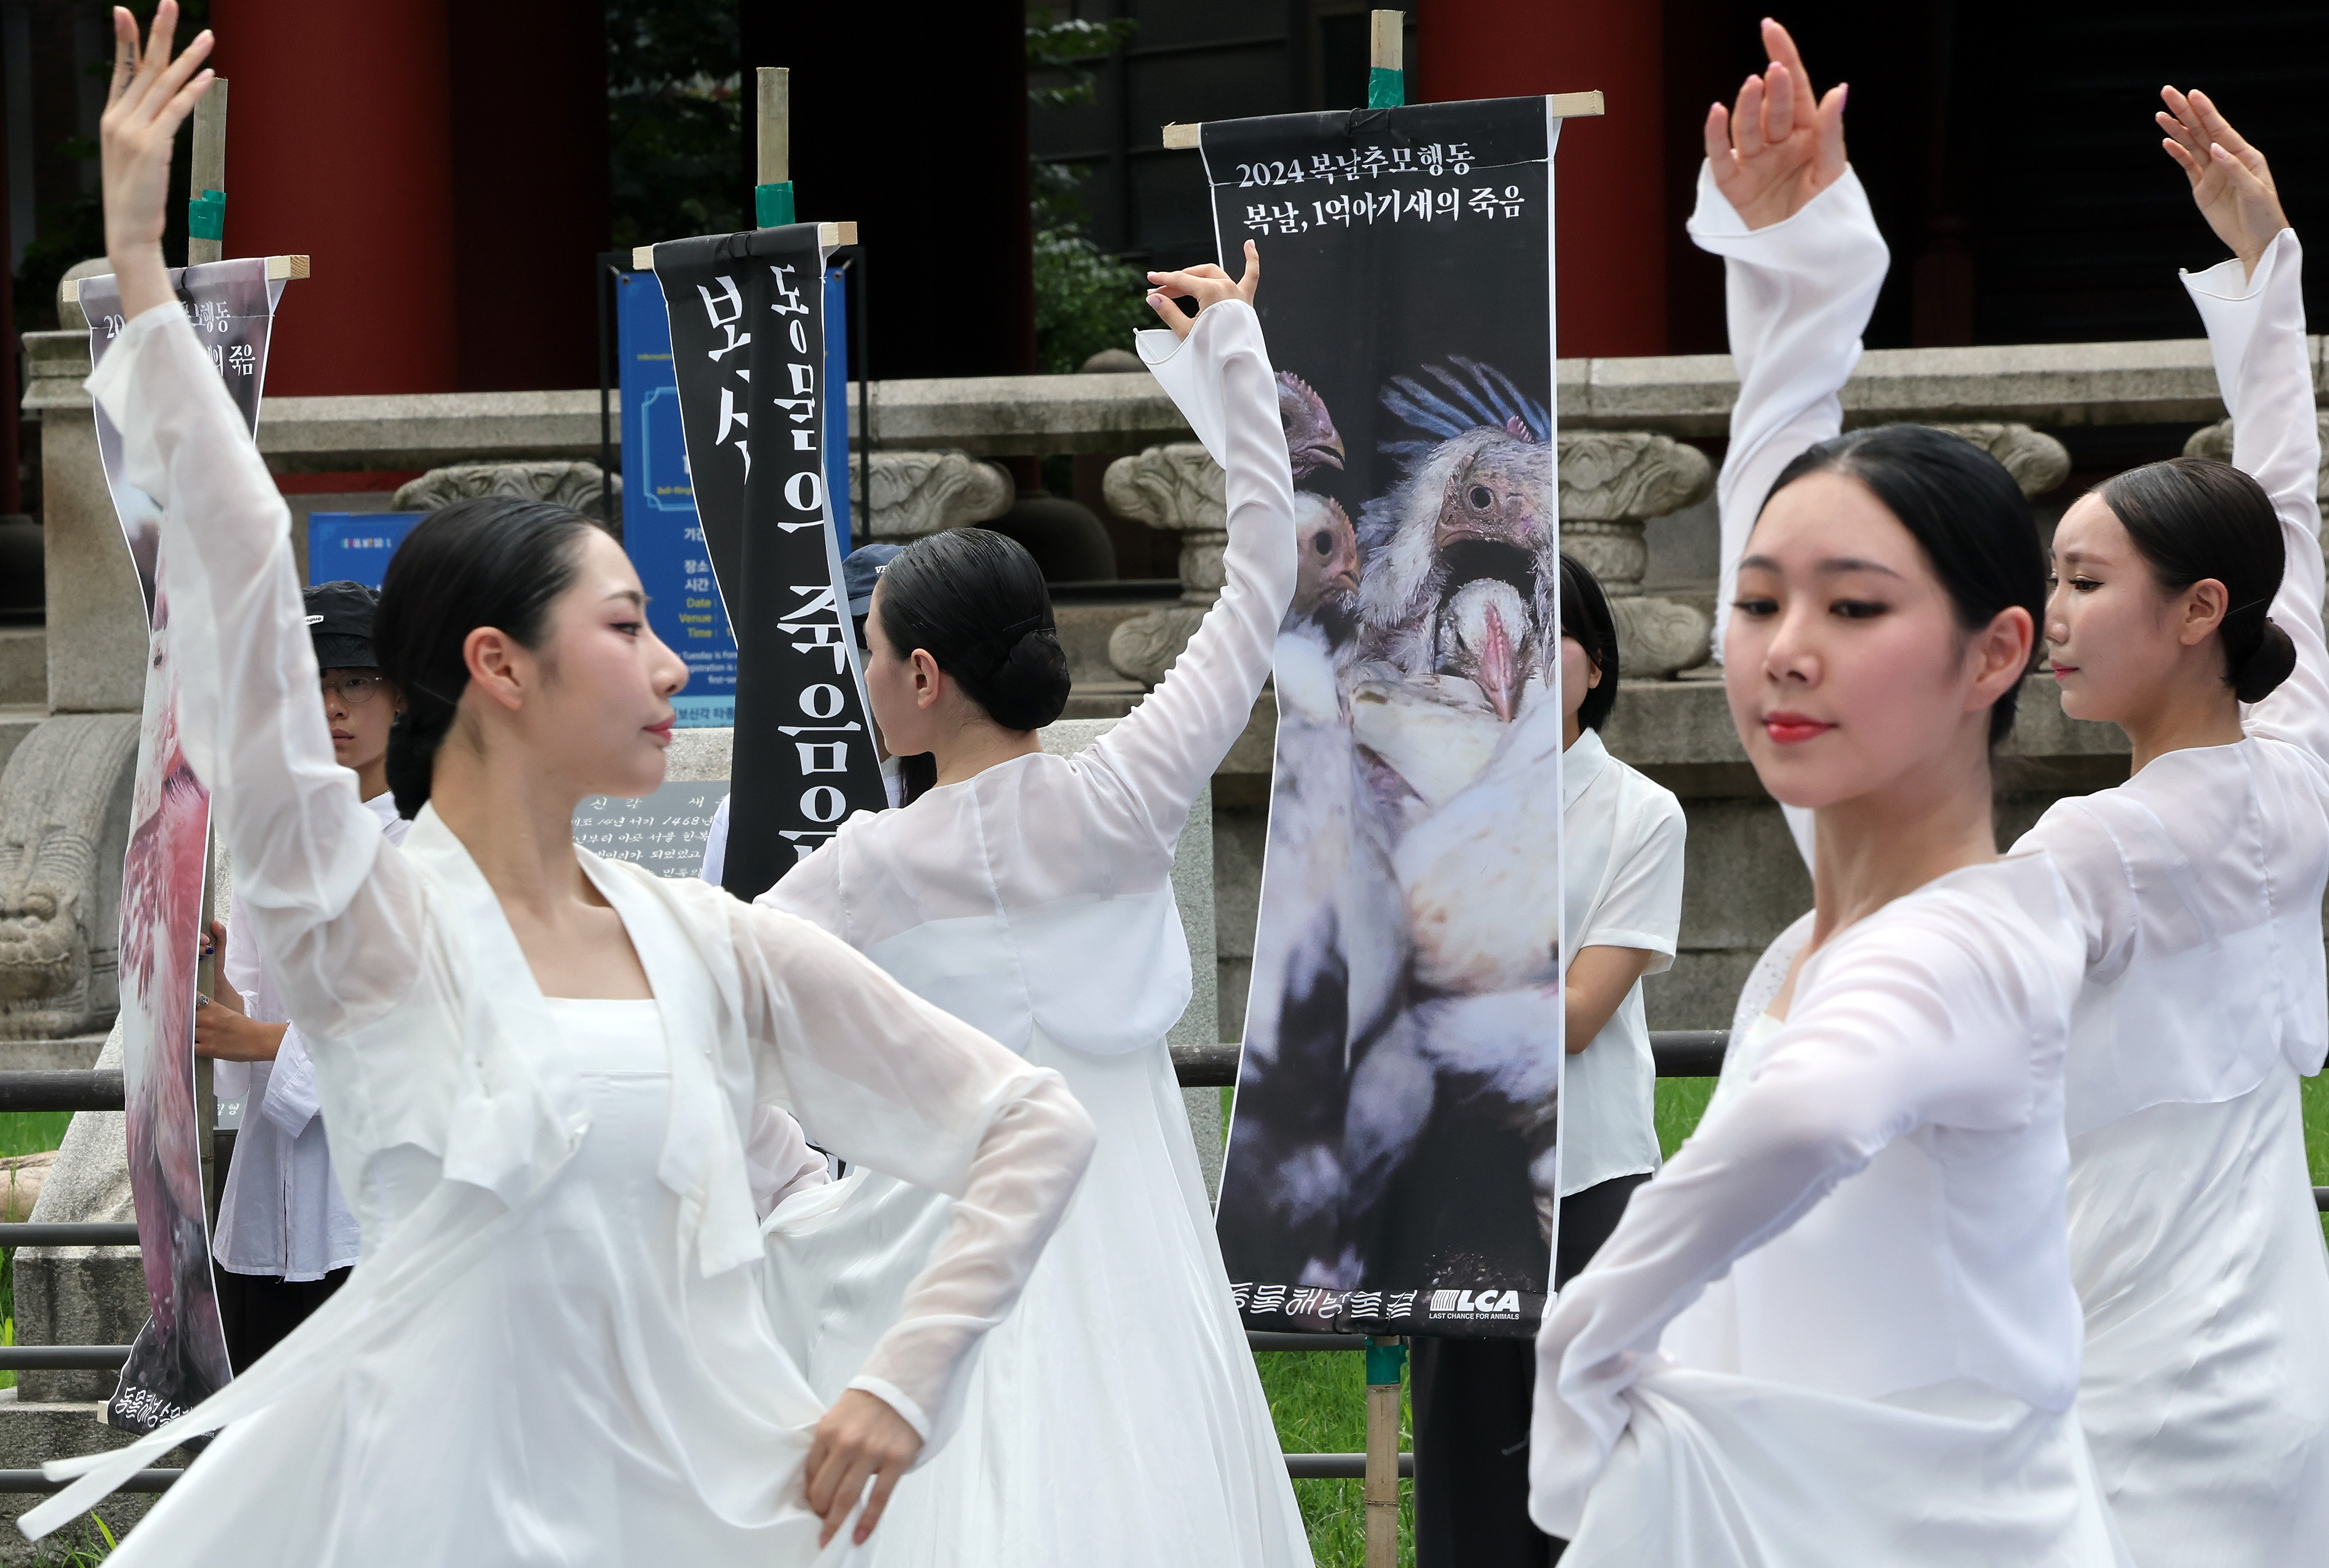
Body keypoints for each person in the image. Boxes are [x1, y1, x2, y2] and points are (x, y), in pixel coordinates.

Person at [28, 11, 1096, 1561]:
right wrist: (140, 274)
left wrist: (898, 1377)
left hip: (689, 1513)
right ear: (499, 665)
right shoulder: (367, 923)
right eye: (626, 624)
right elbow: (249, 582)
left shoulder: (709, 945)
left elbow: (1030, 1125)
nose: (673, 662)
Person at [1527, 22, 2122, 1565]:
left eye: (1856, 612)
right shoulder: (1852, 867)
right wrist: (1793, 276)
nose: (1786, 651)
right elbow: (1767, 501)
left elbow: (1810, 1106)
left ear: (1998, 651)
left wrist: (1591, 1325)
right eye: (1760, 608)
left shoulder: (1972, 938)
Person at [752, 242, 1311, 1566]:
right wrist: (1232, 352)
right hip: (1134, 1212)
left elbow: (713, 996)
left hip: (951, 1236)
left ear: (927, 674)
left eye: (874, 645)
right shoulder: (1129, 785)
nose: (865, 667)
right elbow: (1263, 570)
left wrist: (789, 1191)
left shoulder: (869, 864)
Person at [2010, 89, 2329, 1566]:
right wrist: (2265, 272)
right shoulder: (2293, 753)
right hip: (2272, 1331)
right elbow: (2284, 513)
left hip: (2118, 1343)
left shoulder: (2095, 845)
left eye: (2083, 581)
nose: (2052, 620)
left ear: (2200, 609)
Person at [1408, 552, 1686, 1568]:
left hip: (1591, 1183)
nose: (1516, 655)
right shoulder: (1426, 803)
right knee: (1461, 1482)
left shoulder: (1641, 815)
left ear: (1598, 666)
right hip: (1461, 1180)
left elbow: (1576, 1016)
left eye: (1546, 633)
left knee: (1596, 1486)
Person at [193, 582, 398, 1369]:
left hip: (378, 1209)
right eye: (310, 686)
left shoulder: (433, 844)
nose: (334, 706)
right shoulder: (271, 848)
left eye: (355, 681)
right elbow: (242, 1022)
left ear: (402, 695)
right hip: (266, 1210)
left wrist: (258, 1040)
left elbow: (420, 1030)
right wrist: (208, 974)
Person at [701, 543, 916, 889]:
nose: (882, 652)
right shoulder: (755, 808)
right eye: (861, 633)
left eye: (905, 634)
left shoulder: (961, 789)